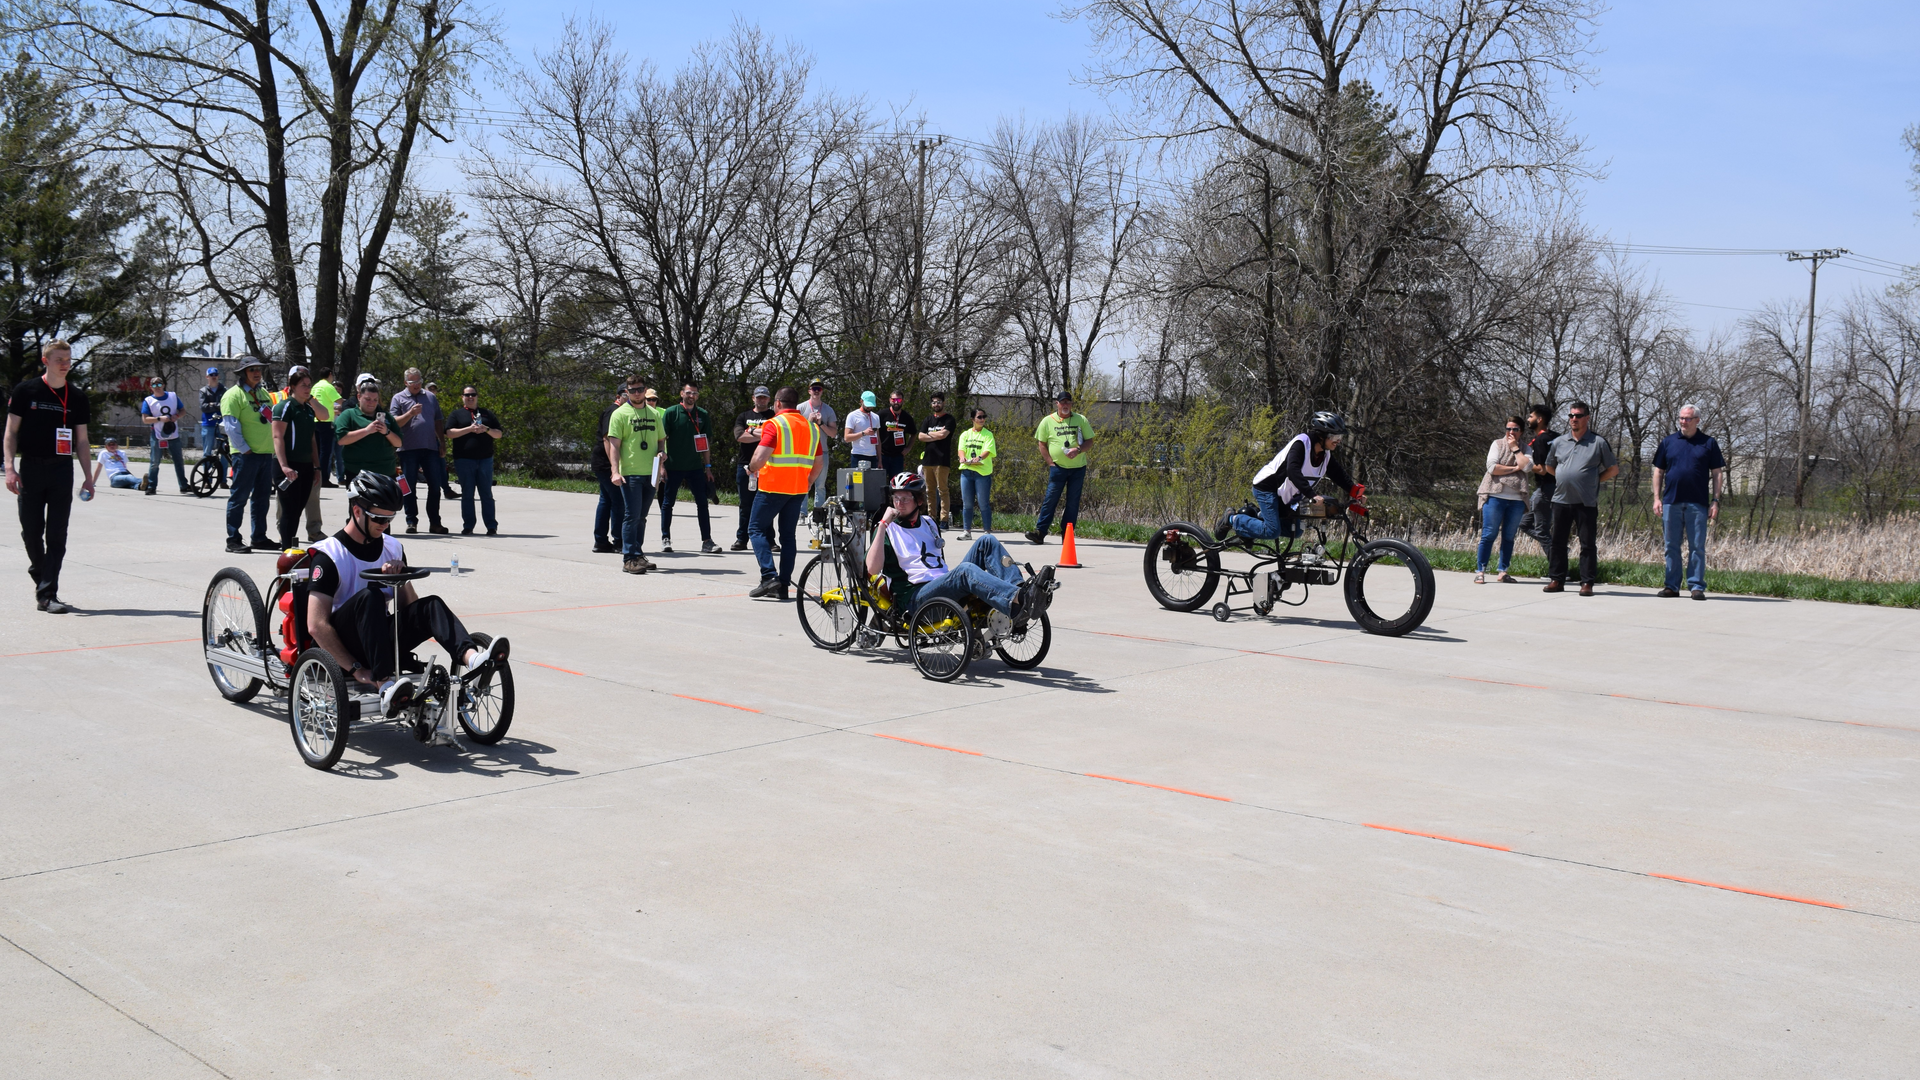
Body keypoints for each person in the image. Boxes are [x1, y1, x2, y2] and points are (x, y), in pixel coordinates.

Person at [303, 472, 510, 732]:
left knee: (431, 604)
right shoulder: (330, 555)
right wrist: (356, 670)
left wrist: (400, 579)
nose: (385, 525)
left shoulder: (392, 547)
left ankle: (473, 660)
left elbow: (408, 609)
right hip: (345, 643)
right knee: (371, 596)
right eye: (379, 518)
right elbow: (316, 625)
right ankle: (385, 685)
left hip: (377, 638)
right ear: (357, 511)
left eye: (390, 518)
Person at [866, 471, 1055, 626]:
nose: (899, 504)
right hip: (916, 600)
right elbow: (872, 569)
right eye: (896, 498)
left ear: (919, 501)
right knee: (965, 571)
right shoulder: (888, 529)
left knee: (986, 541)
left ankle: (1021, 592)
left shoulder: (929, 523)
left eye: (906, 499)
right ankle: (1018, 599)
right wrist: (882, 524)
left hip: (941, 586)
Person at [6, 340, 95, 612]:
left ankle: (47, 594)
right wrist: (10, 468)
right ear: (45, 361)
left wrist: (88, 477)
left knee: (57, 534)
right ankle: (41, 575)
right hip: (31, 468)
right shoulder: (26, 391)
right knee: (31, 532)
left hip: (61, 469)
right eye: (59, 359)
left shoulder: (77, 397)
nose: (65, 364)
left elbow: (81, 441)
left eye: (68, 359)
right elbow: (10, 433)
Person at [1216, 411, 1354, 543]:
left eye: (1340, 438)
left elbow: (1339, 475)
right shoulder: (1301, 444)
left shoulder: (1325, 455)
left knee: (1296, 531)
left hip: (1285, 496)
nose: (1338, 441)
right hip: (1267, 488)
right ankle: (1232, 519)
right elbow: (1292, 471)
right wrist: (1312, 494)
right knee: (1272, 531)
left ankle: (1256, 521)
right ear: (1321, 435)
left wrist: (1355, 491)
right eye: (1335, 437)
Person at [747, 386, 825, 599]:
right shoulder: (812, 428)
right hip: (798, 489)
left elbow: (760, 458)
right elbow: (819, 463)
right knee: (788, 537)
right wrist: (808, 483)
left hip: (772, 487)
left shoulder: (775, 424)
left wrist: (751, 468)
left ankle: (769, 576)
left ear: (778, 403)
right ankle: (782, 586)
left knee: (755, 529)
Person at [1541, 400, 1619, 596]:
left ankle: (1587, 583)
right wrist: (1562, 477)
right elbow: (1549, 466)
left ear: (1587, 418)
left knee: (1587, 543)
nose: (1573, 419)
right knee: (1558, 542)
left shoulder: (1598, 442)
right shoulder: (1559, 442)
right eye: (1571, 416)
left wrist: (1594, 481)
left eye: (1577, 415)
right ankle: (1556, 580)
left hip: (1586, 502)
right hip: (1560, 500)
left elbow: (1613, 469)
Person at [1652, 403, 1727, 601]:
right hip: (1671, 502)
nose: (1684, 422)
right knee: (1671, 545)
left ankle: (1696, 586)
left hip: (1698, 503)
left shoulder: (1708, 443)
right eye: (1681, 418)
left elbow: (1717, 472)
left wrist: (1715, 501)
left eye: (1688, 419)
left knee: (1697, 546)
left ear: (1697, 420)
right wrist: (1657, 498)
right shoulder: (1668, 442)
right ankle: (1671, 586)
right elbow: (1658, 471)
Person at [606, 376, 664, 574]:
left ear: (645, 390)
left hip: (651, 472)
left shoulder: (654, 413)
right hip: (630, 473)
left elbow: (661, 439)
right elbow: (614, 445)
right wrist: (615, 471)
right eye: (632, 390)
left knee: (642, 516)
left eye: (640, 389)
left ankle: (638, 554)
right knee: (631, 516)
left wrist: (662, 455)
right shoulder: (620, 414)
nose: (636, 393)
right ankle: (629, 558)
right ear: (627, 392)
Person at [220, 356, 277, 553]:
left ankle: (259, 537)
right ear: (243, 373)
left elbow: (270, 420)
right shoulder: (232, 395)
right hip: (245, 455)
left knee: (261, 499)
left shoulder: (264, 394)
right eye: (251, 369)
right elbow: (231, 427)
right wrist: (245, 449)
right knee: (239, 497)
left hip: (265, 454)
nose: (256, 372)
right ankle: (233, 539)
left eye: (258, 369)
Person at [271, 366, 331, 550]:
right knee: (288, 510)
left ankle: (291, 546)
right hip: (288, 464)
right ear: (292, 386)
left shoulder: (308, 409)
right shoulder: (285, 407)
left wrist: (317, 467)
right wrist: (284, 466)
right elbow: (277, 436)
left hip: (306, 465)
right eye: (303, 385)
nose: (307, 388)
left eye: (309, 385)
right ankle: (287, 548)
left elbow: (324, 418)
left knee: (298, 509)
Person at [1025, 391, 1096, 546]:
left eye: (1068, 402)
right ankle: (1040, 532)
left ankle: (1067, 536)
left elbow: (1089, 441)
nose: (1065, 405)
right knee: (1050, 500)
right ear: (1056, 404)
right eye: (1062, 402)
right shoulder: (1047, 421)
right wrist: (1050, 462)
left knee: (1072, 503)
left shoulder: (1080, 419)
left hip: (1078, 468)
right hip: (1057, 468)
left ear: (1071, 404)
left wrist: (1078, 450)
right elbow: (1042, 444)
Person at [657, 381, 719, 554]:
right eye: (689, 393)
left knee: (702, 503)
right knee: (668, 503)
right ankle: (665, 538)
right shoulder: (671, 413)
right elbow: (661, 440)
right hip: (673, 466)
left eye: (695, 394)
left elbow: (705, 443)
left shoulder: (703, 414)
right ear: (681, 393)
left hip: (694, 467)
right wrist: (662, 465)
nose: (692, 396)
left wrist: (707, 467)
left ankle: (707, 541)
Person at [388, 367, 446, 534]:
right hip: (408, 449)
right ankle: (411, 521)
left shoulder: (430, 397)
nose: (416, 385)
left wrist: (441, 442)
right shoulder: (398, 398)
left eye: (419, 381)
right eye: (413, 382)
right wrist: (410, 413)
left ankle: (435, 522)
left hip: (430, 448)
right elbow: (394, 423)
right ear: (406, 382)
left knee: (435, 486)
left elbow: (438, 420)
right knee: (408, 487)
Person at [1474, 416, 1531, 584]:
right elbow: (1492, 468)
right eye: (1508, 429)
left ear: (1521, 432)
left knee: (1508, 536)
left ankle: (1503, 571)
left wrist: (1515, 449)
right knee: (1489, 534)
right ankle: (1480, 570)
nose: (1510, 432)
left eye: (1515, 429)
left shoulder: (1526, 449)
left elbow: (1527, 467)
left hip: (1517, 500)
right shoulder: (1497, 444)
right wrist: (1515, 468)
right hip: (1494, 496)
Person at [446, 385, 502, 536]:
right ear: (462, 397)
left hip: (485, 460)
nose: (470, 397)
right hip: (464, 460)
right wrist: (469, 429)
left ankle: (491, 526)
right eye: (467, 395)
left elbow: (499, 434)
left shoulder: (487, 414)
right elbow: (449, 433)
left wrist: (487, 429)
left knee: (486, 494)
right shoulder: (457, 414)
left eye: (473, 394)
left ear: (477, 396)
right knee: (467, 494)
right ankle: (468, 526)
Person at [334, 375, 402, 485]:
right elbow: (342, 439)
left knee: (389, 502)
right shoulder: (349, 414)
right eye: (368, 399)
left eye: (375, 400)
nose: (372, 403)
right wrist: (367, 431)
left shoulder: (386, 417)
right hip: (359, 474)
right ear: (359, 397)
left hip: (386, 473)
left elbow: (398, 443)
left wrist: (387, 432)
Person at [730, 386, 775, 551]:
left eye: (764, 397)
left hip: (767, 465)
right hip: (745, 465)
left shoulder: (773, 416)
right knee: (745, 504)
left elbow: (776, 437)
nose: (761, 400)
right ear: (753, 398)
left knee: (767, 503)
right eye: (759, 397)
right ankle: (742, 539)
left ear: (769, 399)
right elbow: (740, 436)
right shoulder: (744, 416)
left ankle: (770, 540)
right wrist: (765, 435)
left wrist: (753, 432)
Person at [591, 385, 627, 553]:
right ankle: (619, 541)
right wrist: (615, 467)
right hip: (605, 464)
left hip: (605, 463)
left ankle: (600, 541)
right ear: (618, 396)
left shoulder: (622, 412)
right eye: (626, 393)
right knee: (618, 501)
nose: (631, 396)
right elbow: (607, 440)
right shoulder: (613, 412)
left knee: (606, 501)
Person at [140, 375, 190, 495]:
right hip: (157, 435)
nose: (157, 387)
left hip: (173, 434)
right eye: (154, 385)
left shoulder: (172, 396)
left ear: (163, 385)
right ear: (151, 387)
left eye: (159, 384)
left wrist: (176, 416)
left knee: (178, 461)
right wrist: (159, 418)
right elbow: (145, 419)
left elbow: (183, 410)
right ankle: (152, 486)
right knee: (155, 462)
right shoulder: (149, 401)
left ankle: (183, 485)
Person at [1520, 403, 1559, 555]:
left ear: (1540, 419)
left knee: (1541, 531)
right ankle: (1558, 550)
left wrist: (1523, 464)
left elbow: (1542, 470)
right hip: (1555, 488)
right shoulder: (1556, 437)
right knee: (1524, 524)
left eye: (1531, 416)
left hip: (1545, 489)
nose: (1528, 419)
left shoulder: (1541, 440)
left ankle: (1558, 566)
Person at [797, 378, 839, 512]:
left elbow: (833, 433)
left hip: (822, 452)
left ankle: (818, 514)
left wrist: (821, 424)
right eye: (814, 388)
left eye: (819, 389)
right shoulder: (800, 408)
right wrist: (809, 422)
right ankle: (802, 513)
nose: (816, 391)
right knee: (803, 483)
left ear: (822, 392)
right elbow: (796, 432)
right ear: (809, 390)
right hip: (804, 452)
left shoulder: (828, 410)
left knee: (820, 485)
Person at [956, 408, 996, 539]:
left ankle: (987, 532)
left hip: (982, 473)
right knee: (967, 503)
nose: (982, 419)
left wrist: (979, 458)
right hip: (967, 472)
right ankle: (967, 531)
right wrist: (962, 458)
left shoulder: (988, 434)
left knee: (983, 503)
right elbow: (961, 449)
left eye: (984, 417)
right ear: (973, 419)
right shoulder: (965, 434)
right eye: (979, 417)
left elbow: (988, 450)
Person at [918, 393, 957, 526]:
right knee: (929, 491)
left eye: (939, 402)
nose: (936, 404)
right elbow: (920, 437)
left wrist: (929, 435)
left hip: (942, 461)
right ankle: (931, 518)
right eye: (934, 402)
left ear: (944, 403)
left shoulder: (949, 419)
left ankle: (944, 519)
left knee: (943, 490)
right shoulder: (928, 420)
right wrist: (935, 435)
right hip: (928, 460)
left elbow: (944, 434)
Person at [309, 367, 342, 487]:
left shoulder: (315, 386)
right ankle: (324, 479)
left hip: (314, 420)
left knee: (316, 451)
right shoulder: (328, 386)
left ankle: (315, 476)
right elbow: (339, 400)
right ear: (330, 374)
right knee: (326, 452)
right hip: (326, 421)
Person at [878, 392, 916, 480]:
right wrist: (877, 449)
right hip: (883, 455)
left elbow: (913, 434)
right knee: (880, 482)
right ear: (890, 400)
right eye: (893, 400)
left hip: (898, 456)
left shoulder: (907, 417)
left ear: (902, 401)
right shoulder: (881, 415)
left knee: (896, 482)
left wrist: (908, 448)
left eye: (898, 400)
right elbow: (875, 433)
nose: (896, 402)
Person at [198, 366, 228, 471]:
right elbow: (203, 407)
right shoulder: (203, 391)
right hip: (208, 424)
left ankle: (223, 480)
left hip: (222, 424)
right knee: (207, 452)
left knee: (224, 451)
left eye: (215, 375)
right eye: (211, 375)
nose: (214, 377)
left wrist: (211, 404)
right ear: (207, 377)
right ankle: (207, 479)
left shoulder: (224, 390)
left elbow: (226, 405)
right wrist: (218, 405)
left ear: (218, 376)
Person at [845, 390, 881, 470]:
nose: (869, 407)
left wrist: (880, 460)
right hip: (858, 455)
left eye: (871, 405)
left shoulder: (876, 417)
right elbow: (847, 437)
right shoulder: (852, 416)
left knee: (872, 482)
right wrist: (863, 433)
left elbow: (878, 440)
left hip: (873, 456)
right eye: (867, 405)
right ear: (861, 401)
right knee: (858, 482)